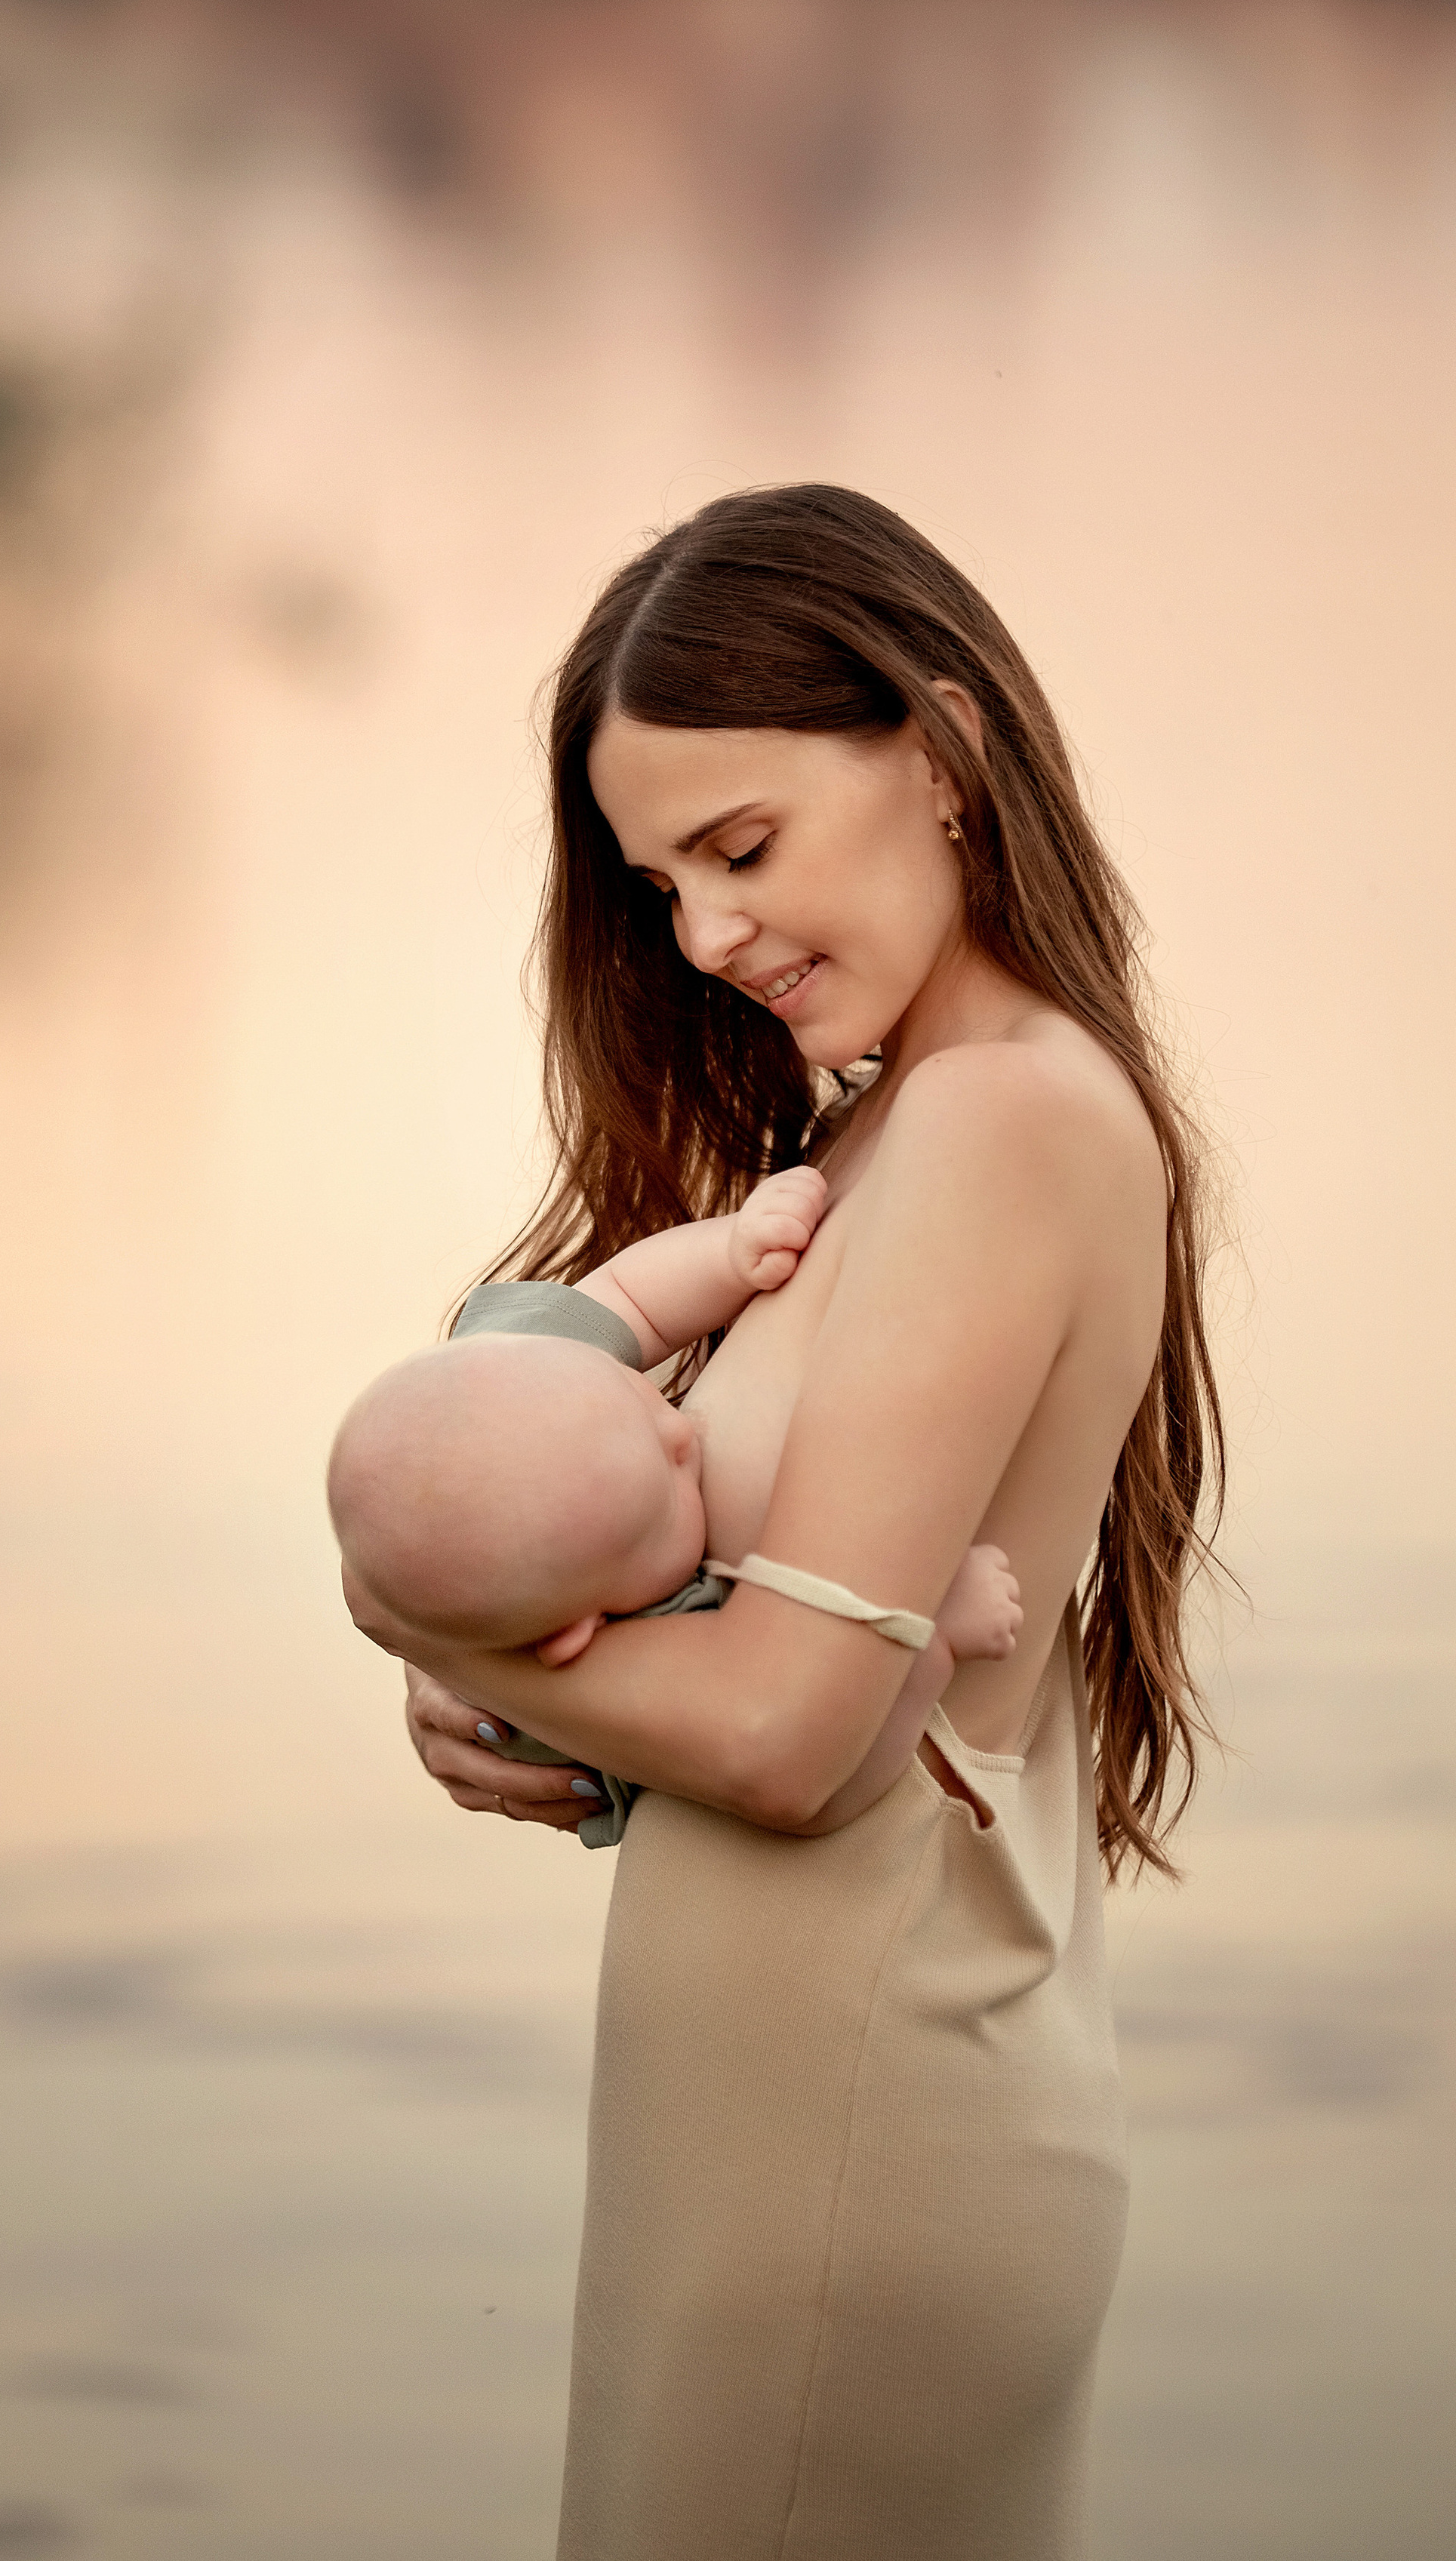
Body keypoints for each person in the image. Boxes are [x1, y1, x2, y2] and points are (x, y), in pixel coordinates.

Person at [339, 485, 1224, 2561]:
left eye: (741, 849)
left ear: (946, 753)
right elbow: (727, 1663)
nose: (706, 937)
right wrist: (534, 1688)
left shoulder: (1009, 1115)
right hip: (767, 2111)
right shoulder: (889, 1126)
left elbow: (784, 1730)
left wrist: (432, 1616)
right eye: (661, 885)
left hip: (860, 2126)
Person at [331, 1171, 1024, 1847]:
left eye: (641, 1405)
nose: (683, 1436)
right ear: (583, 1633)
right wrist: (929, 1635)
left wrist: (732, 1252)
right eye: (666, 1499)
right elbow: (825, 1793)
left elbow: (632, 1297)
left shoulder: (530, 1378)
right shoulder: (653, 1639)